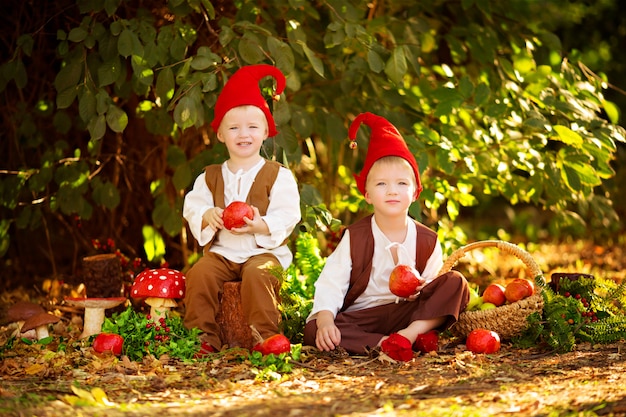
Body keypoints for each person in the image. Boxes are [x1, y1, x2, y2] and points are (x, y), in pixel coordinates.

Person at [303, 112, 469, 361]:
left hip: (409, 315)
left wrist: (421, 288)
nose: (392, 190)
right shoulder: (355, 237)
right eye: (381, 184)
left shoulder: (428, 240)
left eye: (402, 183)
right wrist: (326, 318)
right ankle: (382, 343)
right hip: (365, 316)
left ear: (415, 193)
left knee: (456, 282)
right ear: (367, 194)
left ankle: (409, 336)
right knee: (314, 330)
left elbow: (433, 286)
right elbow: (331, 282)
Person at [183, 64, 301, 352]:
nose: (243, 134)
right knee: (199, 275)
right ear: (221, 134)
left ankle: (266, 337)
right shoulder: (210, 176)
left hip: (264, 252)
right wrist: (207, 215)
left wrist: (262, 225)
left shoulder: (277, 174)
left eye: (252, 127)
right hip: (223, 253)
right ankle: (201, 339)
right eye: (233, 128)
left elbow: (289, 213)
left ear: (265, 132)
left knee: (258, 275)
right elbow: (193, 206)